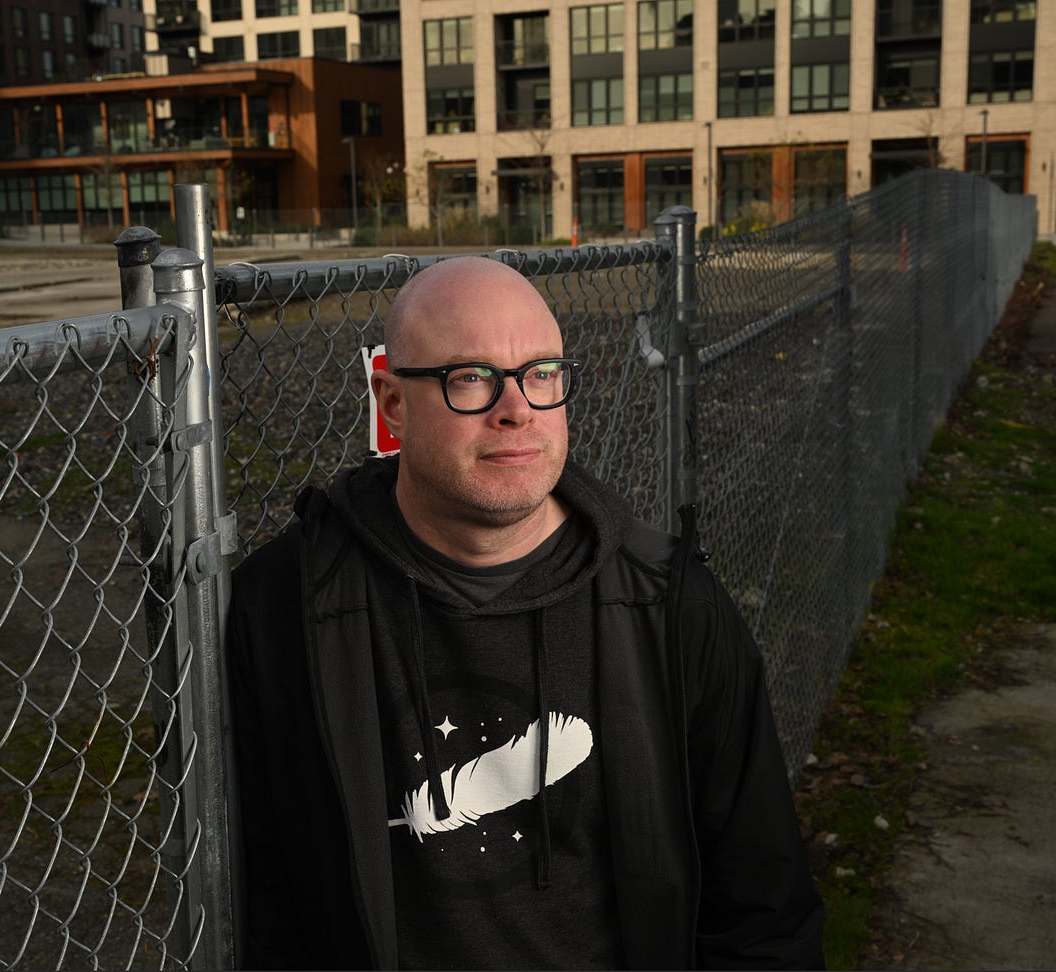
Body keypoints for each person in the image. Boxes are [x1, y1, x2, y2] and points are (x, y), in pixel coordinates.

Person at [226, 256, 824, 969]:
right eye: (471, 377)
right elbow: (264, 900)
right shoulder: (288, 605)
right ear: (392, 403)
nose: (516, 409)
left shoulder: (667, 604)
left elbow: (762, 908)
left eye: (540, 374)